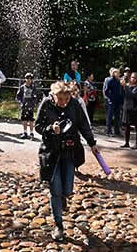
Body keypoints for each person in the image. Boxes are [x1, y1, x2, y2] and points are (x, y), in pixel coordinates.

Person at [35, 81, 98, 241]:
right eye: (60, 99)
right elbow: (38, 126)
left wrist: (92, 143)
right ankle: (59, 226)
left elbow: (84, 125)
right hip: (52, 153)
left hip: (70, 152)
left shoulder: (75, 104)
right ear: (54, 96)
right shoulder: (46, 104)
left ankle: (63, 197)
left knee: (68, 190)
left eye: (66, 99)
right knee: (55, 190)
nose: (63, 102)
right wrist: (50, 129)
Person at [121, 72, 137, 149]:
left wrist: (125, 87)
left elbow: (132, 95)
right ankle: (126, 142)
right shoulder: (128, 86)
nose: (133, 79)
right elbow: (124, 95)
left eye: (134, 78)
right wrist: (123, 86)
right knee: (127, 126)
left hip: (134, 109)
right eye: (132, 77)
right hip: (127, 108)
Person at [17, 73, 38, 140]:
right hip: (24, 105)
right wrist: (21, 102)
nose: (29, 80)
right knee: (24, 119)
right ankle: (25, 132)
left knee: (31, 120)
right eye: (27, 78)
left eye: (30, 79)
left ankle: (31, 133)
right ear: (25, 79)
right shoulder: (22, 87)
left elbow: (35, 97)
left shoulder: (33, 88)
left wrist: (33, 103)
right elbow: (18, 96)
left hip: (30, 106)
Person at [104, 68, 124, 137]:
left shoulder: (120, 81)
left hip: (118, 102)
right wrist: (110, 98)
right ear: (114, 74)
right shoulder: (110, 81)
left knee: (117, 117)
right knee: (109, 116)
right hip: (112, 102)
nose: (118, 74)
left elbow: (122, 91)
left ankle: (117, 131)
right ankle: (108, 131)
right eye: (116, 73)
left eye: (118, 73)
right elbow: (106, 91)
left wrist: (122, 99)